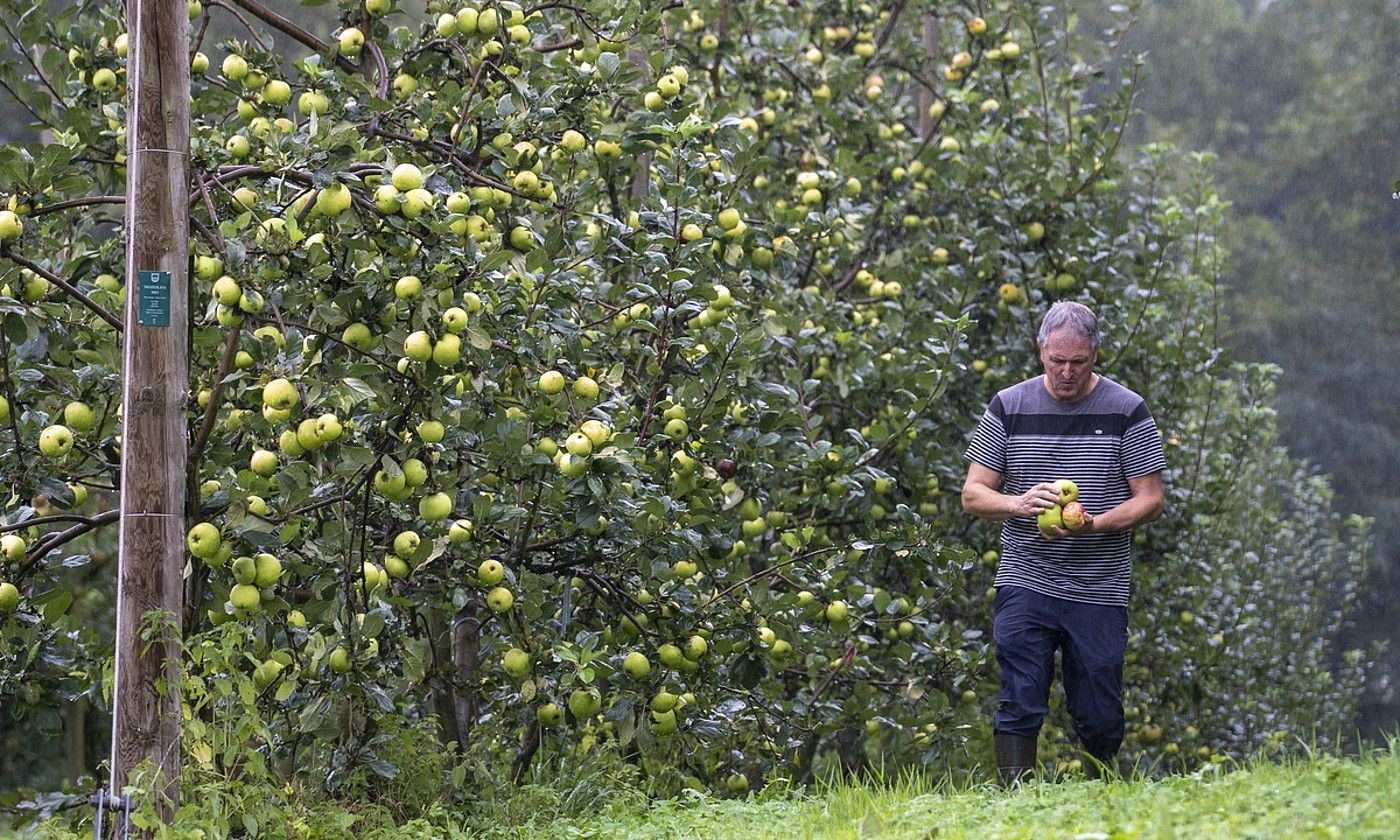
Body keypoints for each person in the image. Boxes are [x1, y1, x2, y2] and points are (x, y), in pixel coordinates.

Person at [961, 301, 1166, 784]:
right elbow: (972, 494)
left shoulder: (1126, 409)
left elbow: (1151, 500)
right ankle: (1013, 801)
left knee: (1098, 709)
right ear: (1040, 351)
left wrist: (1096, 524)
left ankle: (1099, 793)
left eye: (1079, 361)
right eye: (1057, 361)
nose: (1067, 372)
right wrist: (1020, 504)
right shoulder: (1008, 405)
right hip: (1025, 576)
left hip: (1099, 586)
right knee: (1020, 694)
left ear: (1096, 354)